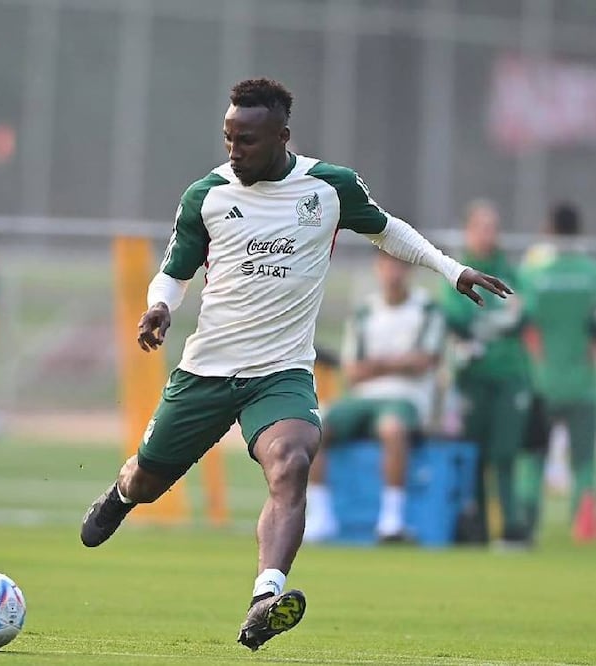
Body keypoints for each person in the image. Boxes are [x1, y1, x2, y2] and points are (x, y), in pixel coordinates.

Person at [78, 78, 510, 651]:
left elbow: (388, 230)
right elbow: (176, 269)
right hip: (206, 372)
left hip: (280, 373)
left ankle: (265, 597)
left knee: (292, 460)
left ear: (282, 137)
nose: (235, 151)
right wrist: (159, 306)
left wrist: (453, 270)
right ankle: (122, 493)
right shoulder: (206, 196)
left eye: (248, 141)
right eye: (229, 138)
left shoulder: (328, 188)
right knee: (147, 480)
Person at [304, 252, 446, 543]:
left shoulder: (427, 309)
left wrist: (377, 365)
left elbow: (425, 361)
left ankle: (391, 519)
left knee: (391, 428)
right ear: (378, 269)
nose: (393, 273)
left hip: (406, 397)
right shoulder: (365, 311)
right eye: (387, 265)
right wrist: (398, 362)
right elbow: (353, 371)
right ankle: (320, 515)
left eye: (399, 266)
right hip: (363, 397)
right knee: (313, 425)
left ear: (409, 270)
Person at [439, 200, 532, 546]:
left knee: (505, 453)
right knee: (473, 454)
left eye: (492, 227)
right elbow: (456, 318)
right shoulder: (457, 270)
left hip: (509, 375)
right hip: (472, 378)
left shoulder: (509, 270)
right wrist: (497, 323)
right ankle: (475, 526)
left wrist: (484, 326)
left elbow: (524, 311)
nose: (486, 235)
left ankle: (512, 526)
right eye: (480, 227)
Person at [518, 203, 596, 542]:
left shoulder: (534, 273)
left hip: (541, 380)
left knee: (533, 456)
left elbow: (524, 325)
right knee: (585, 461)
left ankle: (526, 522)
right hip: (584, 380)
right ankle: (585, 527)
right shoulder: (591, 272)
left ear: (549, 228)